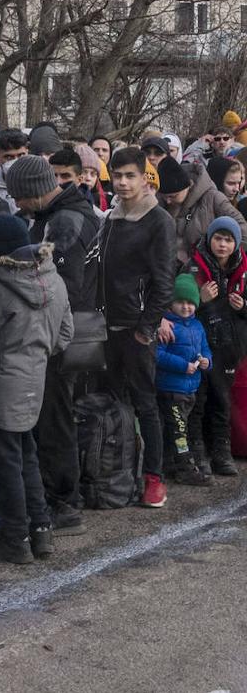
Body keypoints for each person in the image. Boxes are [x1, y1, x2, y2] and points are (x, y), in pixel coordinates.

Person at [4, 156, 99, 534]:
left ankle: (63, 501)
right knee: (55, 414)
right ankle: (58, 494)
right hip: (61, 331)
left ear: (33, 192)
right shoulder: (62, 214)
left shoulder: (64, 221)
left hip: (58, 336)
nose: (18, 206)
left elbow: (63, 287)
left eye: (20, 198)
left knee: (55, 416)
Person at [0, 215, 72, 564]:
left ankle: (15, 538)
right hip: (36, 378)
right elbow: (65, 335)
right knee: (27, 453)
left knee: (7, 461)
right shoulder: (54, 280)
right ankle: (41, 531)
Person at [100, 147, 175, 509]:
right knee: (114, 404)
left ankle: (154, 478)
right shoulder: (111, 217)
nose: (123, 182)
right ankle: (119, 473)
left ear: (145, 176)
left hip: (136, 328)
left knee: (146, 404)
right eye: (117, 176)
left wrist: (146, 328)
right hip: (107, 326)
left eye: (130, 175)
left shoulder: (159, 220)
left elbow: (164, 282)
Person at [187, 217, 245, 478]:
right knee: (198, 400)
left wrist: (243, 307)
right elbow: (178, 307)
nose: (222, 245)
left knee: (222, 400)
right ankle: (198, 451)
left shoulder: (244, 270)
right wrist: (199, 299)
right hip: (199, 344)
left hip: (230, 346)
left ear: (236, 243)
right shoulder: (192, 268)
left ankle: (221, 450)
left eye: (228, 240)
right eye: (218, 239)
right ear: (209, 240)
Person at [155, 273, 214, 487]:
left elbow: (206, 349)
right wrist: (183, 366)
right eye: (180, 302)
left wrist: (207, 360)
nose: (186, 307)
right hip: (171, 389)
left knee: (180, 427)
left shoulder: (197, 326)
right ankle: (185, 468)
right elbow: (157, 355)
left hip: (190, 390)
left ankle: (170, 462)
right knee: (179, 430)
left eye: (190, 303)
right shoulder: (167, 326)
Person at [157, 156, 246, 267]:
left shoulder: (213, 198)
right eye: (165, 197)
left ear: (187, 187)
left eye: (173, 196)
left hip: (205, 271)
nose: (168, 201)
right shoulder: (161, 202)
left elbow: (243, 231)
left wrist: (221, 259)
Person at [0, 128, 28, 200]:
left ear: (27, 153)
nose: (16, 161)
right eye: (9, 157)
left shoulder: (39, 182)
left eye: (21, 155)